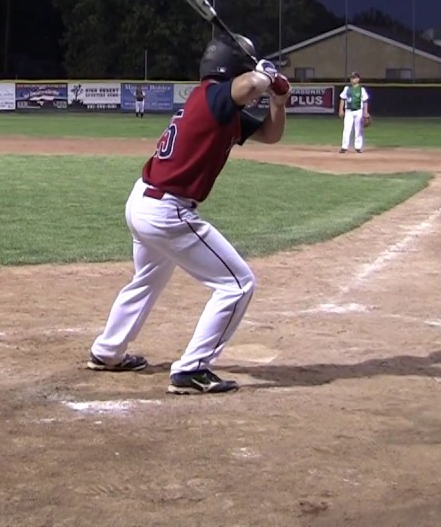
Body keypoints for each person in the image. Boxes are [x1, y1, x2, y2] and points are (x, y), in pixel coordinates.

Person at [87, 33, 290, 395]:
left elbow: (271, 135)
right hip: (167, 210)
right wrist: (265, 75)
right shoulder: (215, 95)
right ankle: (192, 369)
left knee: (147, 280)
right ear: (235, 68)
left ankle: (107, 351)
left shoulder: (221, 108)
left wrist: (278, 101)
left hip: (144, 202)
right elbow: (250, 84)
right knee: (238, 284)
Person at [338, 72, 369, 153]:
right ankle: (344, 147)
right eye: (351, 78)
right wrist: (341, 110)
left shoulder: (361, 90)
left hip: (358, 111)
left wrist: (365, 112)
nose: (352, 79)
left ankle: (358, 147)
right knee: (346, 129)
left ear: (358, 79)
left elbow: (365, 101)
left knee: (358, 130)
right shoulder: (347, 88)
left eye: (354, 78)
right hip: (348, 111)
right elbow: (342, 98)